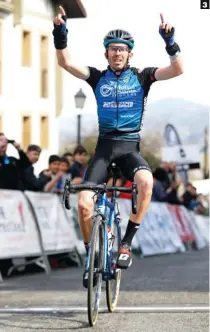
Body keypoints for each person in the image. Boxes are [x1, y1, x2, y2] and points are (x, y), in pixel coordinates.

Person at [53, 7, 184, 286]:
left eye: (122, 49)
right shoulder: (97, 77)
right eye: (112, 49)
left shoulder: (142, 77)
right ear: (106, 54)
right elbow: (65, 62)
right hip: (103, 148)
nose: (117, 53)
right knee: (84, 204)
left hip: (128, 148)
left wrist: (169, 42)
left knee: (146, 182)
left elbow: (178, 69)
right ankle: (91, 257)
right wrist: (60, 32)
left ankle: (125, 244)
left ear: (130, 54)